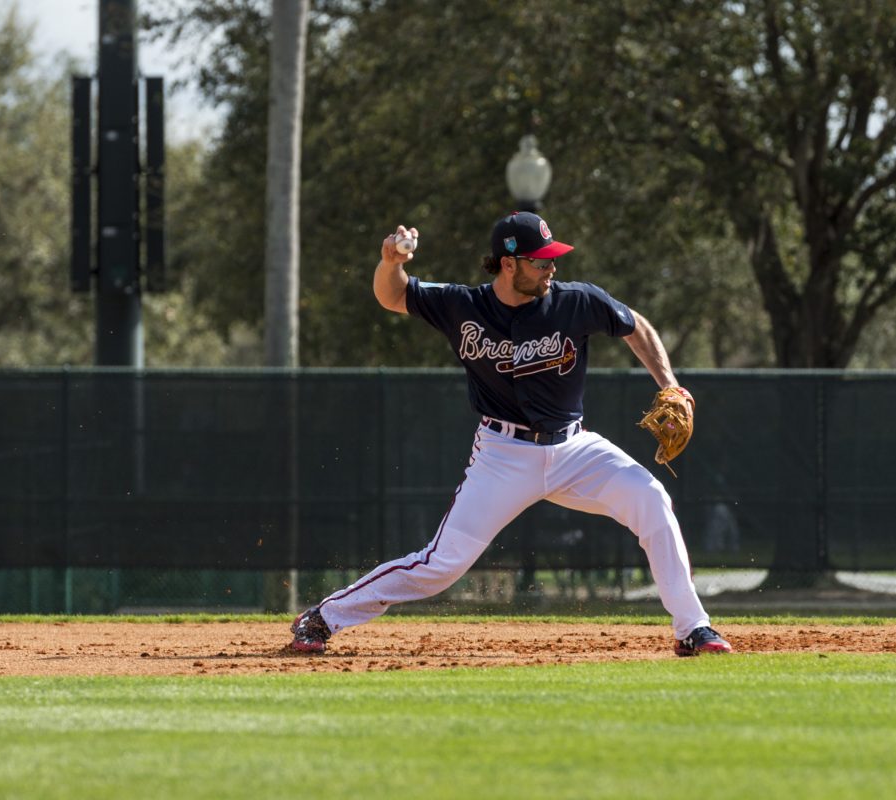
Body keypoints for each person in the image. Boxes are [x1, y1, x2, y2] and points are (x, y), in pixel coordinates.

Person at [289, 211, 731, 657]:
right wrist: (390, 262)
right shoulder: (464, 306)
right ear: (508, 264)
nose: (551, 268)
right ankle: (324, 616)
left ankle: (693, 628)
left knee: (652, 499)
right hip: (503, 454)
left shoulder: (575, 301)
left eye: (552, 259)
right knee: (440, 566)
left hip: (575, 448)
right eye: (540, 261)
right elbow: (393, 295)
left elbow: (635, 325)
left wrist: (670, 385)